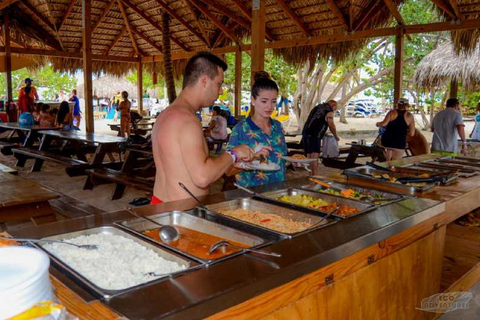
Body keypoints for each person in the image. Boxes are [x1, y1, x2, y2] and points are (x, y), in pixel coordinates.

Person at [151, 52, 260, 204]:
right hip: (181, 214)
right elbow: (202, 177)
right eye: (219, 84)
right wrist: (234, 153)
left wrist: (227, 163)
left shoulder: (165, 115)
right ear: (204, 81)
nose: (220, 91)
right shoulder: (187, 120)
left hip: (161, 205)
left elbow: (182, 166)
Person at [227, 71, 286, 188]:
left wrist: (293, 161)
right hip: (251, 195)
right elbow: (228, 171)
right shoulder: (241, 130)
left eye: (273, 101)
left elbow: (280, 159)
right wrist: (251, 158)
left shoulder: (278, 126)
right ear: (253, 100)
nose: (269, 106)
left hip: (279, 191)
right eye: (264, 101)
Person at [302, 100, 339, 175]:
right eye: (335, 109)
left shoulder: (317, 107)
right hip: (315, 135)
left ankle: (310, 176)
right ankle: (314, 176)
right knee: (315, 157)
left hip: (306, 133)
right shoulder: (329, 110)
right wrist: (335, 135)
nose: (334, 111)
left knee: (309, 156)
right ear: (333, 106)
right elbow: (331, 124)